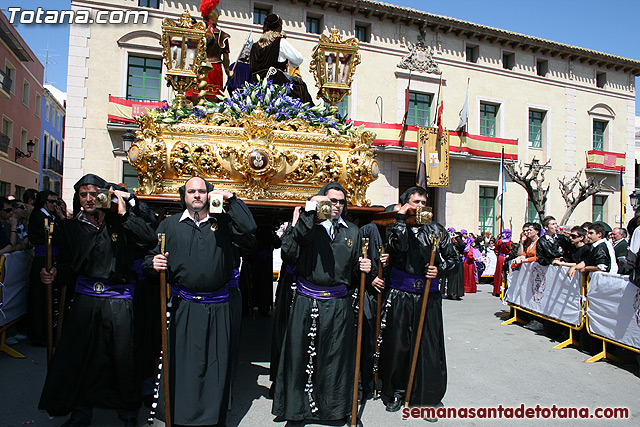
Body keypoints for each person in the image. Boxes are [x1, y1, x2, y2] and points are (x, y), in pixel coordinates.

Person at [38, 174, 157, 427]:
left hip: (119, 301)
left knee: (122, 358)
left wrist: (124, 212)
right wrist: (55, 274)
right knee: (82, 357)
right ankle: (81, 412)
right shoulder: (71, 228)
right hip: (85, 301)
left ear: (103, 194)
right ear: (78, 198)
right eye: (83, 194)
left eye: (94, 193)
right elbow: (69, 265)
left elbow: (148, 239)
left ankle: (127, 410)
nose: (89, 199)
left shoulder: (120, 222)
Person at [144, 176, 257, 427]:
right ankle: (182, 417)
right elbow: (149, 257)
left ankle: (214, 419)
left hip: (219, 306)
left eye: (201, 191)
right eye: (191, 191)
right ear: (183, 196)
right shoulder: (169, 225)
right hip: (185, 306)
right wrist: (153, 263)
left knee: (217, 365)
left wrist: (232, 200)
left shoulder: (224, 223)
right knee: (184, 365)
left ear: (209, 194)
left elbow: (249, 230)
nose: (196, 195)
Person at [272, 182, 371, 424]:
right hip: (307, 300)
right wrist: (311, 208)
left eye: (340, 201)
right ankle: (296, 412)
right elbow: (292, 251)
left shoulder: (352, 232)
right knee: (300, 356)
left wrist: (368, 268)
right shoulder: (309, 227)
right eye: (331, 201)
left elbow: (357, 273)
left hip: (339, 303)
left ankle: (337, 411)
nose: (336, 206)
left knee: (335, 359)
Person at [380, 186, 458, 414]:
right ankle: (396, 392)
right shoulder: (396, 227)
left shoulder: (437, 230)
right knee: (398, 346)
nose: (421, 206)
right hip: (401, 294)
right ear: (406, 204)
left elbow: (454, 259)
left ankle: (427, 397)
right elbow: (399, 247)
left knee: (428, 347)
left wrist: (440, 269)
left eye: (424, 202)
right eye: (416, 202)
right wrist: (402, 220)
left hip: (428, 296)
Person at [249, 13, 313, 103]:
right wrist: (292, 64)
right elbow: (298, 58)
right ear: (279, 27)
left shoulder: (255, 46)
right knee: (300, 88)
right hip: (274, 82)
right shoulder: (279, 42)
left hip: (255, 85)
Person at [186, 0, 232, 101]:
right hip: (214, 68)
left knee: (195, 101)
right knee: (213, 101)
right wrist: (228, 71)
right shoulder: (222, 35)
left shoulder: (197, 33)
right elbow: (225, 57)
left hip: (198, 68)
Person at [493, 229, 512, 296]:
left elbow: (496, 250)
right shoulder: (510, 242)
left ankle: (497, 290)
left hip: (500, 258)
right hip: (507, 258)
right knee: (506, 274)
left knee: (499, 273)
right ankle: (505, 289)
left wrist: (498, 255)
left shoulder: (499, 241)